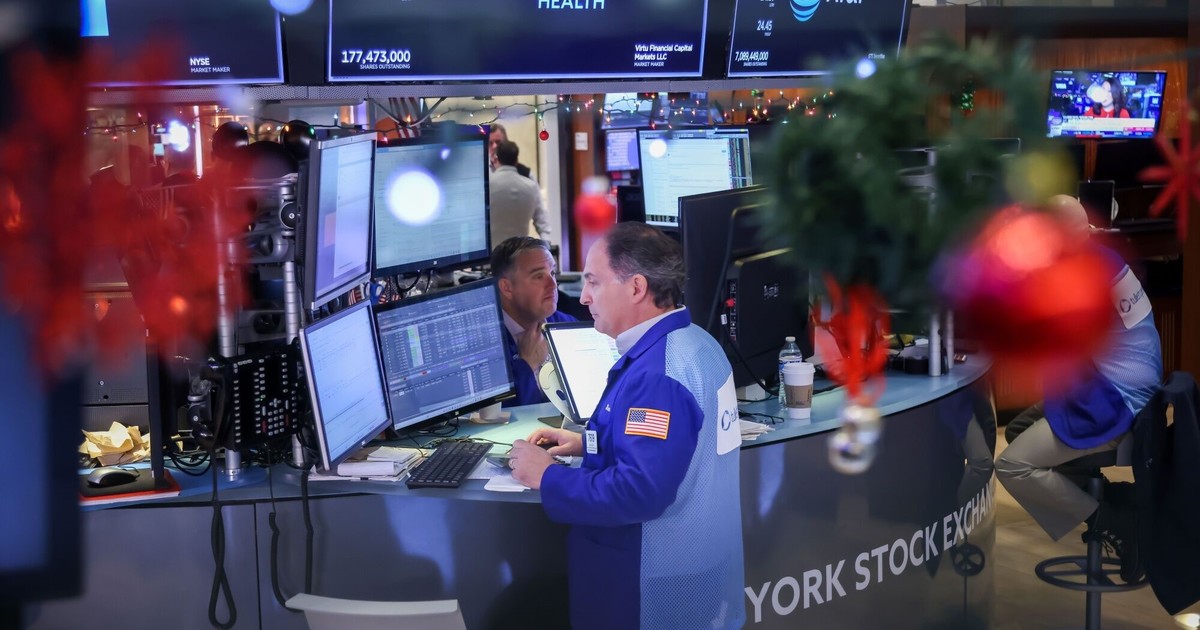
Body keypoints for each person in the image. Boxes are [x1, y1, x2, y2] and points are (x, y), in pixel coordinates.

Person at [508, 222, 745, 630]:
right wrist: (591, 442)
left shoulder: (657, 377)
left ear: (636, 288)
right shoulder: (697, 343)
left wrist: (546, 476)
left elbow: (638, 493)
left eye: (594, 282)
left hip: (648, 582)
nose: (584, 297)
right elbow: (681, 451)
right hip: (696, 561)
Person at [996, 194, 1161, 582]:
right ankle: (1112, 498)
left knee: (1013, 465)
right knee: (1019, 429)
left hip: (1117, 401)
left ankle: (1113, 521)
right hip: (1122, 388)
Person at [491, 236, 576, 407]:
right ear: (507, 288)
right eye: (538, 276)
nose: (553, 285)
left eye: (552, 273)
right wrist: (527, 364)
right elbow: (498, 413)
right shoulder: (486, 343)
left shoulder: (564, 325)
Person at [489, 140, 550, 245]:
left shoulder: (487, 185)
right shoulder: (531, 186)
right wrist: (546, 247)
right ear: (516, 161)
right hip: (520, 250)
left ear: (496, 159)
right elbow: (542, 222)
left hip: (492, 251)